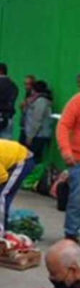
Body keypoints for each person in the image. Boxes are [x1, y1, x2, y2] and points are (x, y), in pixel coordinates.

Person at [57, 85, 80, 241]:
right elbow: (64, 125)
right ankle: (71, 233)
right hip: (77, 159)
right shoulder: (77, 101)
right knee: (77, 199)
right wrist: (66, 150)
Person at [21, 80, 53, 163]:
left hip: (38, 135)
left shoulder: (41, 101)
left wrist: (30, 136)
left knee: (33, 159)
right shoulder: (35, 100)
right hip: (37, 134)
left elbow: (37, 120)